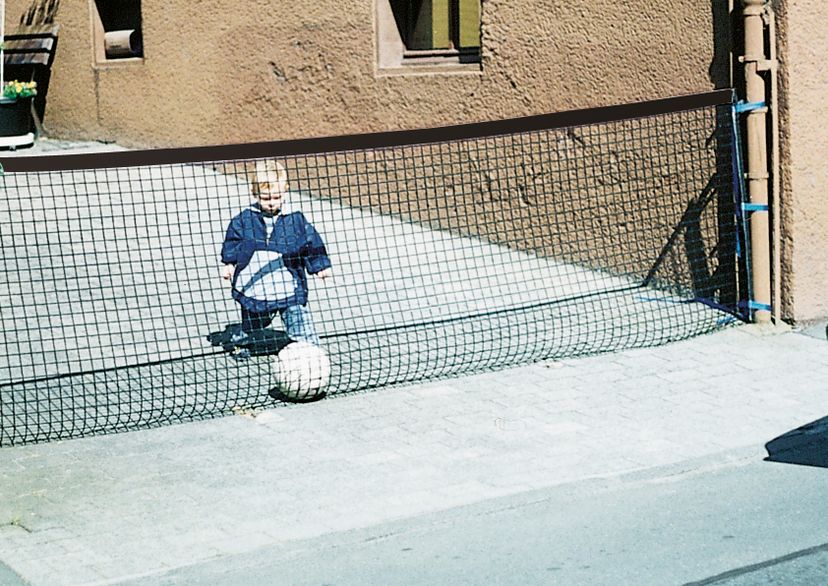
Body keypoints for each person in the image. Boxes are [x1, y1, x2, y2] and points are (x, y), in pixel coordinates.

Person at [220, 160, 332, 351]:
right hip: (254, 285)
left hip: (287, 283)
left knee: (298, 317)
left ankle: (310, 349)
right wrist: (229, 263)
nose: (271, 202)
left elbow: (310, 242)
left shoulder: (296, 219)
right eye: (265, 198)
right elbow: (233, 241)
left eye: (277, 197)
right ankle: (241, 341)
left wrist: (319, 265)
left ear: (286, 190)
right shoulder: (244, 219)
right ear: (254, 193)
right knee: (254, 323)